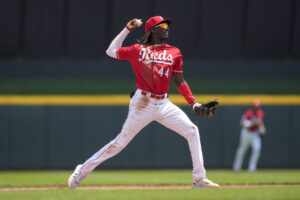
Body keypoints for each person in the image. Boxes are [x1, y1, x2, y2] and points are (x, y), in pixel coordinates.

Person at [68, 16, 219, 189]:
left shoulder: (174, 52)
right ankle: (81, 171)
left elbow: (179, 81)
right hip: (143, 103)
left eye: (167, 24)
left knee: (192, 131)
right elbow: (111, 51)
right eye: (163, 25)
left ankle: (199, 180)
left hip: (164, 104)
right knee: (119, 144)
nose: (167, 27)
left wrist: (194, 103)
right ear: (153, 30)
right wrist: (127, 29)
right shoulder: (137, 49)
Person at [233, 99, 266, 173]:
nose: (256, 108)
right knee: (242, 150)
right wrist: (252, 122)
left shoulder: (261, 113)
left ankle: (252, 167)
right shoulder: (249, 113)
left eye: (258, 106)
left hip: (255, 133)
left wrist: (261, 127)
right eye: (255, 106)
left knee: (257, 149)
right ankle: (237, 167)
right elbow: (242, 123)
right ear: (253, 107)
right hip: (246, 133)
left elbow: (260, 124)